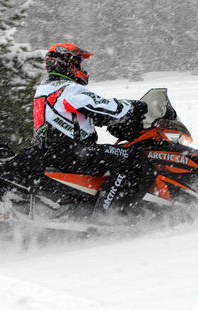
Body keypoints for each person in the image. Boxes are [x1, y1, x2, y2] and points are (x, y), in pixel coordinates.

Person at [30, 43, 154, 215]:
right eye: (79, 62)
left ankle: (95, 206)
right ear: (67, 63)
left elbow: (89, 115)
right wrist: (133, 107)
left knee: (117, 155)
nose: (81, 67)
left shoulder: (44, 90)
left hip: (54, 152)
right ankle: (109, 214)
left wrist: (113, 122)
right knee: (134, 160)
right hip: (73, 153)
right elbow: (102, 107)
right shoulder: (67, 89)